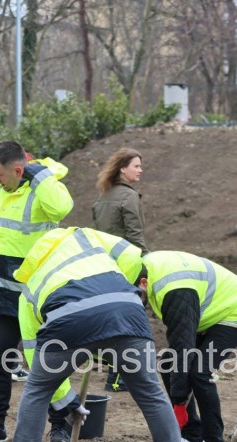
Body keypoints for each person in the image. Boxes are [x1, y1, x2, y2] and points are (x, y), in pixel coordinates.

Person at [0, 227, 192, 442]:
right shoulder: (84, 237)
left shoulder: (29, 288)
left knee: (37, 390)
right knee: (150, 391)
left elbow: (35, 356)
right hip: (126, 311)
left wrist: (64, 399)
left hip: (68, 322)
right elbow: (132, 256)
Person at [0, 140, 77, 442]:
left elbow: (63, 207)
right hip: (3, 292)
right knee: (0, 358)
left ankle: (59, 426)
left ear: (18, 171)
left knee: (48, 358)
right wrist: (4, 153)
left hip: (39, 295)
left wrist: (36, 171)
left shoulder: (42, 189)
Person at [138, 250, 237, 442]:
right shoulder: (144, 271)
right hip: (203, 312)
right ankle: (192, 438)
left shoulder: (175, 291)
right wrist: (179, 399)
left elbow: (183, 348)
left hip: (235, 308)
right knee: (168, 364)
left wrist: (179, 401)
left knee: (199, 373)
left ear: (144, 283)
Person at [92, 148, 148, 393]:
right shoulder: (129, 197)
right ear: (123, 168)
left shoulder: (103, 196)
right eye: (136, 166)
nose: (140, 170)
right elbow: (135, 236)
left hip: (106, 265)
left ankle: (114, 375)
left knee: (113, 319)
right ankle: (118, 379)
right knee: (130, 320)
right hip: (128, 265)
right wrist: (145, 265)